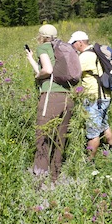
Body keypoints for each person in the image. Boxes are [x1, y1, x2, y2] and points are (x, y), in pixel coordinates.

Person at [25, 24, 74, 182]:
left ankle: (39, 181)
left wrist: (38, 76)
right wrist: (31, 59)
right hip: (68, 97)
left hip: (51, 97)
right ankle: (55, 179)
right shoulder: (62, 48)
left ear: (41, 36)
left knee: (43, 137)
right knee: (60, 138)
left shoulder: (43, 47)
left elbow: (47, 70)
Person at [68, 30, 112, 160]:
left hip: (95, 99)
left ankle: (89, 161)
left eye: (73, 44)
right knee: (104, 125)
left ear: (80, 43)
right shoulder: (94, 52)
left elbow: (72, 74)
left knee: (92, 132)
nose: (72, 47)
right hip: (105, 97)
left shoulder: (85, 56)